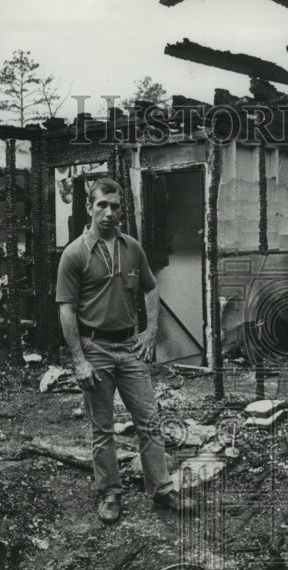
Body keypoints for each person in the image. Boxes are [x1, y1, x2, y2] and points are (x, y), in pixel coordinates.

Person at [56, 177, 192, 523]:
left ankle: (161, 490)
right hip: (95, 347)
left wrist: (150, 332)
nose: (109, 212)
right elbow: (66, 310)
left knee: (149, 422)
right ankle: (110, 494)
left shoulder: (132, 248)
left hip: (129, 347)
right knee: (102, 429)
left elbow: (149, 289)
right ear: (89, 208)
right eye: (102, 205)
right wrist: (79, 360)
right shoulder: (74, 254)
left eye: (115, 206)